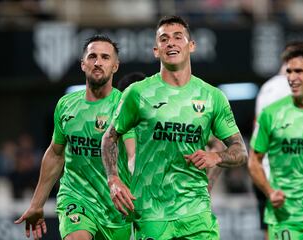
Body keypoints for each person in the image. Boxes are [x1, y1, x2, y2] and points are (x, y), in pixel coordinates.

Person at [101, 15, 248, 240]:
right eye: (164, 39)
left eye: (178, 37)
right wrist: (113, 180)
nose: (171, 43)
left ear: (191, 46)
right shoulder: (138, 93)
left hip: (195, 212)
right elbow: (109, 138)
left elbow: (240, 151)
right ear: (155, 50)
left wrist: (217, 157)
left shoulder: (212, 97)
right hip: (152, 213)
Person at [15, 35, 134, 240]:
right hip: (76, 197)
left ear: (115, 66)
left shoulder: (124, 105)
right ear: (83, 64)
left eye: (105, 57)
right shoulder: (66, 105)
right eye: (92, 56)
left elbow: (134, 156)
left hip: (115, 206)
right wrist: (37, 204)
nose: (97, 62)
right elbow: (55, 154)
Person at [248, 41, 303, 240]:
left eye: (298, 71)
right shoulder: (271, 114)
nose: (291, 78)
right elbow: (254, 160)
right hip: (284, 216)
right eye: (289, 71)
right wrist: (269, 191)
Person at [253, 41, 303, 239]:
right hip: (282, 171)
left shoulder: (268, 87)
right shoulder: (286, 87)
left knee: (273, 228)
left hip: (262, 168)